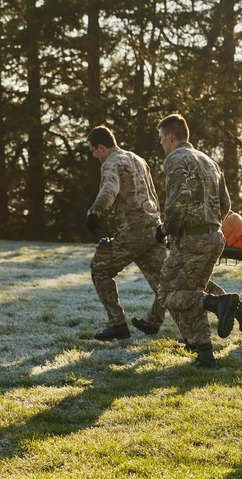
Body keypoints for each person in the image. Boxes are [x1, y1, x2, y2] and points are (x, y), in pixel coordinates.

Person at [156, 113, 242, 368]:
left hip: (191, 238)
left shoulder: (175, 159)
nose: (162, 145)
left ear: (171, 138)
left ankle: (217, 302)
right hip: (214, 237)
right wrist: (211, 225)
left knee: (166, 293)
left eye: (162, 139)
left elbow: (178, 199)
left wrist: (166, 230)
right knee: (190, 291)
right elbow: (226, 204)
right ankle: (203, 352)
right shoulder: (209, 161)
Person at [86, 125, 166, 340]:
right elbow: (153, 193)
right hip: (154, 226)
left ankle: (117, 324)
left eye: (93, 150)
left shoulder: (111, 163)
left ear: (102, 147)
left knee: (99, 269)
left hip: (134, 231)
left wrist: (94, 212)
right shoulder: (138, 159)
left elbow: (109, 190)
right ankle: (159, 324)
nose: (94, 156)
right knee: (165, 283)